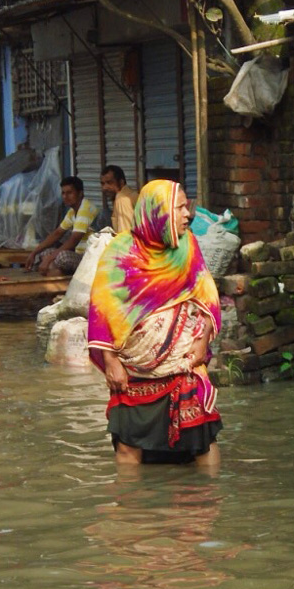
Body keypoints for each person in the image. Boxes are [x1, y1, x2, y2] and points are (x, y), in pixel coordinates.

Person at [87, 179, 222, 467]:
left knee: (202, 443)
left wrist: (203, 337)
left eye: (187, 207)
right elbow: (102, 310)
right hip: (133, 371)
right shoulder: (120, 254)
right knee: (127, 445)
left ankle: (209, 506)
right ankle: (131, 508)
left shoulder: (188, 248)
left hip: (182, 365)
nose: (188, 215)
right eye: (180, 208)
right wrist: (111, 361)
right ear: (157, 213)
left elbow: (207, 296)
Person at [24, 176, 98, 276]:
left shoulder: (85, 209)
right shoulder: (72, 211)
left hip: (89, 258)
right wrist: (34, 252)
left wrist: (49, 259)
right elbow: (57, 233)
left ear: (80, 193)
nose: (65, 196)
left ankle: (57, 272)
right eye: (63, 193)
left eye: (69, 193)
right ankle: (56, 272)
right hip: (78, 255)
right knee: (45, 253)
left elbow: (73, 240)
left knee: (61, 256)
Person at [99, 164, 139, 234]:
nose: (104, 187)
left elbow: (126, 235)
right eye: (103, 183)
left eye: (109, 183)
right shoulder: (129, 194)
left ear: (121, 182)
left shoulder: (122, 199)